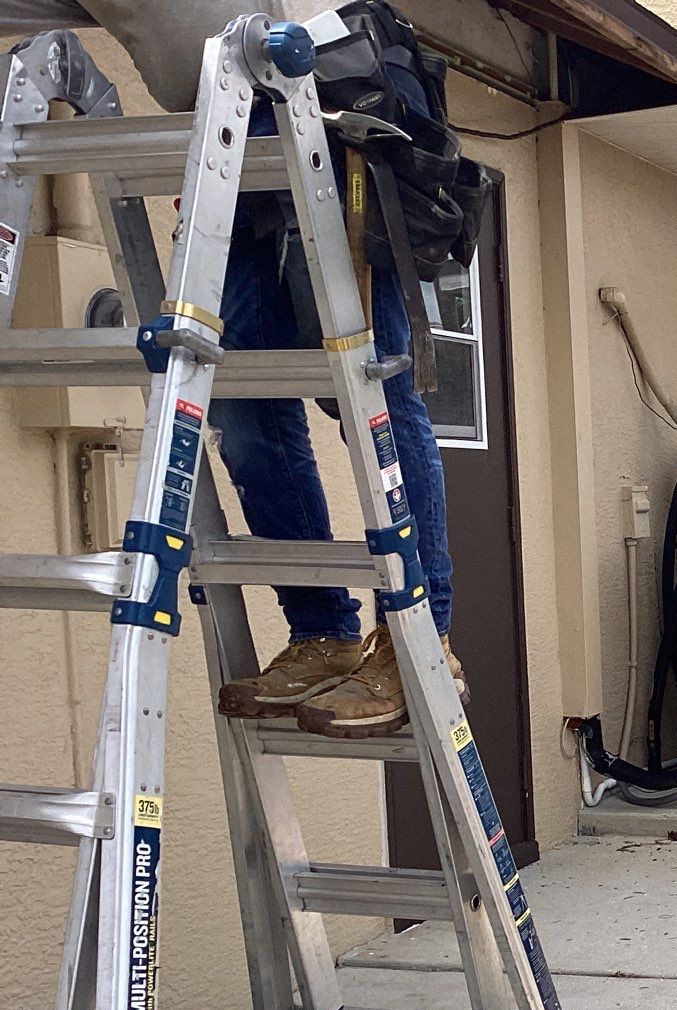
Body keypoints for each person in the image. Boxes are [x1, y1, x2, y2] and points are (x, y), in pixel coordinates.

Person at [0, 0, 460, 738]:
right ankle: (321, 631)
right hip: (229, 136)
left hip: (324, 110)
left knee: (369, 394)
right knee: (246, 410)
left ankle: (418, 643)